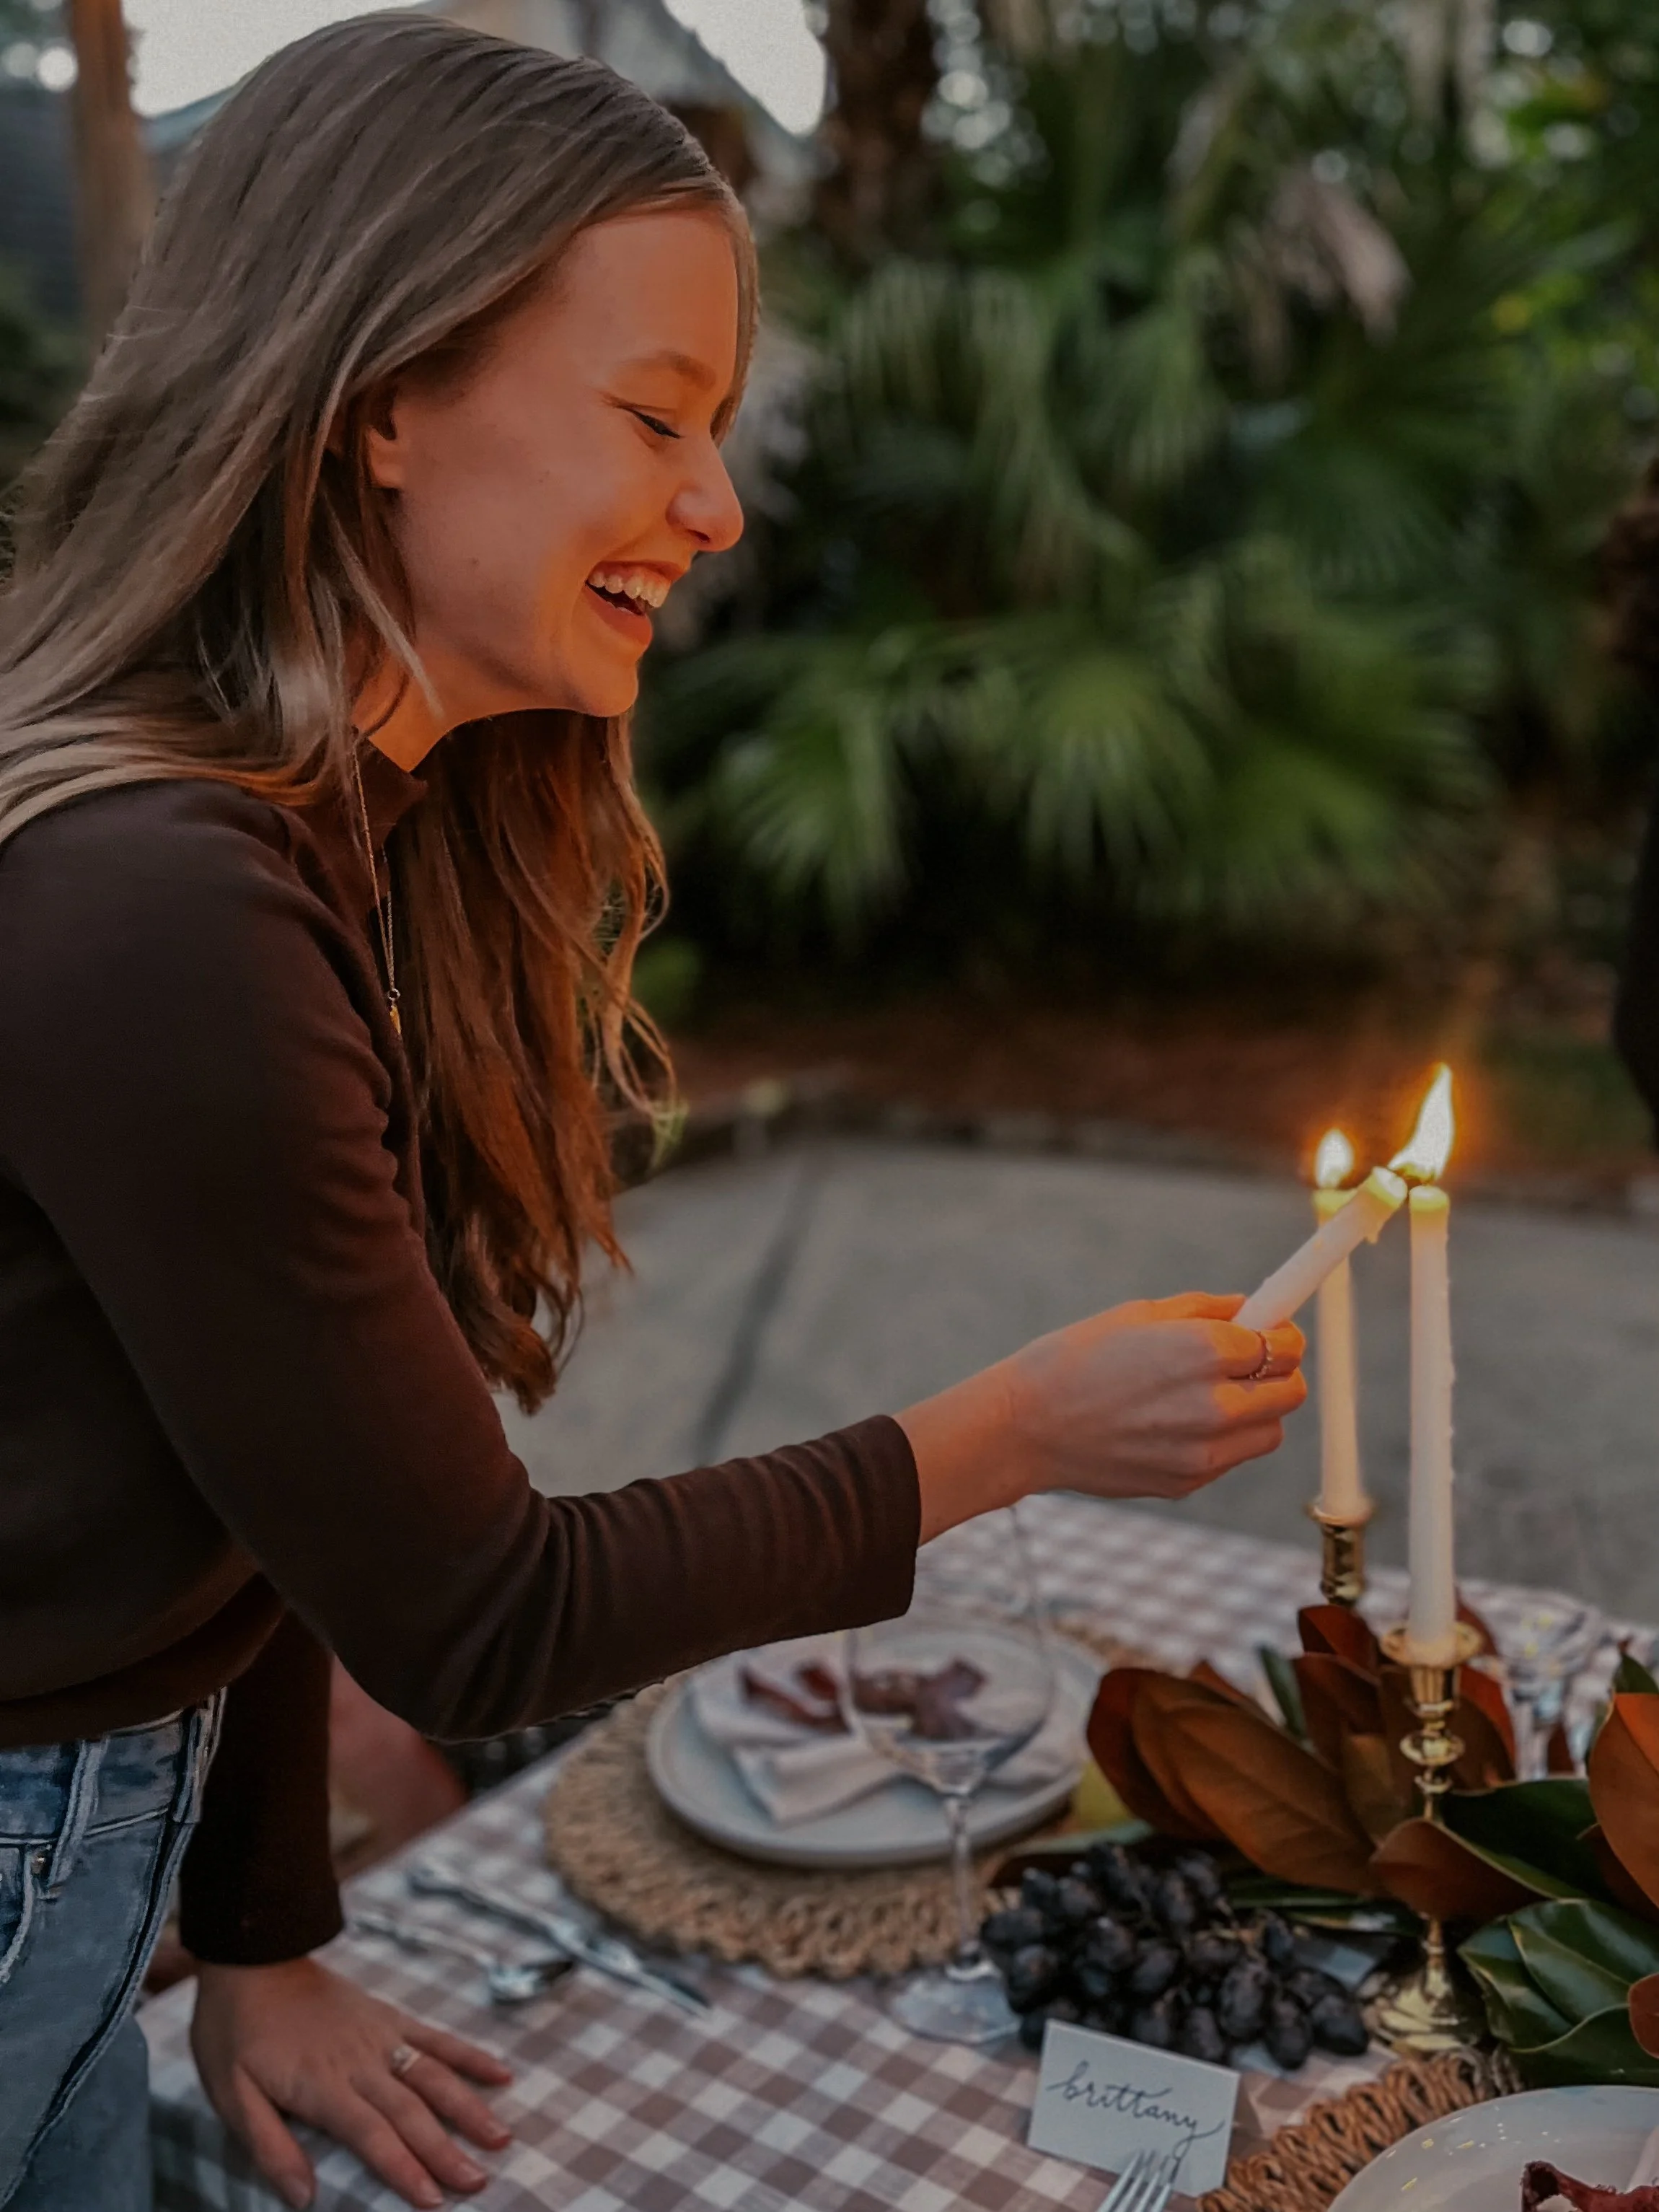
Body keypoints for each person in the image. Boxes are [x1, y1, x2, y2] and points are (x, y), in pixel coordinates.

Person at [0, 17, 1306, 2212]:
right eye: (652, 417)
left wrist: (260, 1931)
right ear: (386, 396)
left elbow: (270, 1477)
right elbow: (473, 1615)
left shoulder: (334, 833)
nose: (713, 506)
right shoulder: (161, 907)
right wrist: (1010, 1433)